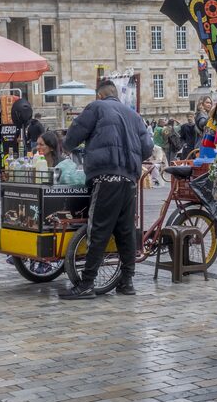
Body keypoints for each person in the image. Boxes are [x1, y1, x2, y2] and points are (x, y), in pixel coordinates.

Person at [61, 79, 153, 299]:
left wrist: (67, 147)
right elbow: (148, 148)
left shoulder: (96, 107)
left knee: (99, 228)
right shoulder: (133, 115)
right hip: (129, 179)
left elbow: (73, 136)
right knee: (126, 230)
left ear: (100, 95)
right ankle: (127, 282)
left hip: (106, 176)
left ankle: (87, 283)